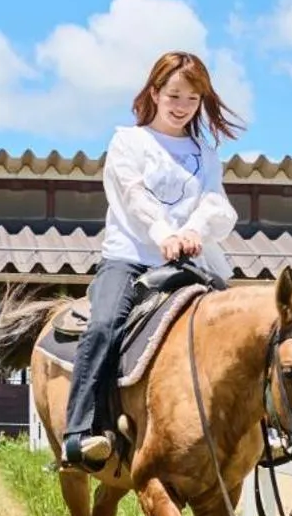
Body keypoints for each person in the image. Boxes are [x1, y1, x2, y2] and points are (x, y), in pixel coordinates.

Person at [62, 50, 245, 470]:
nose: (182, 107)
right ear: (155, 91)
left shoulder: (205, 152)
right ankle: (80, 432)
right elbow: (133, 195)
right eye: (175, 95)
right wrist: (164, 233)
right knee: (104, 325)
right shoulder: (128, 141)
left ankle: (262, 430)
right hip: (132, 256)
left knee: (247, 333)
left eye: (192, 99)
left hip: (192, 261)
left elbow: (215, 200)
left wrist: (195, 230)